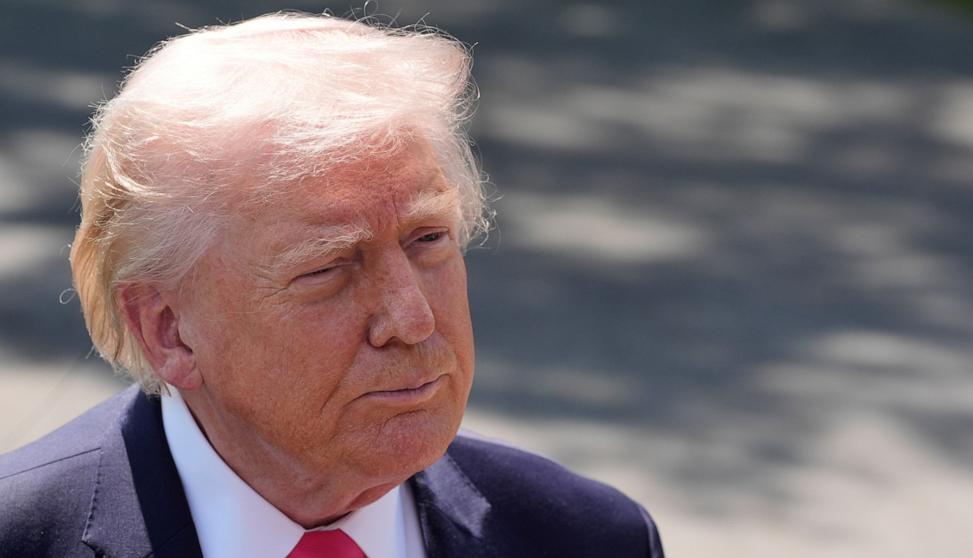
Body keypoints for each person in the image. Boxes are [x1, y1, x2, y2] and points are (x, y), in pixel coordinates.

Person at [0, 12, 663, 558]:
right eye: (327, 268)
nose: (413, 318)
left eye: (428, 239)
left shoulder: (589, 538)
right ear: (167, 328)